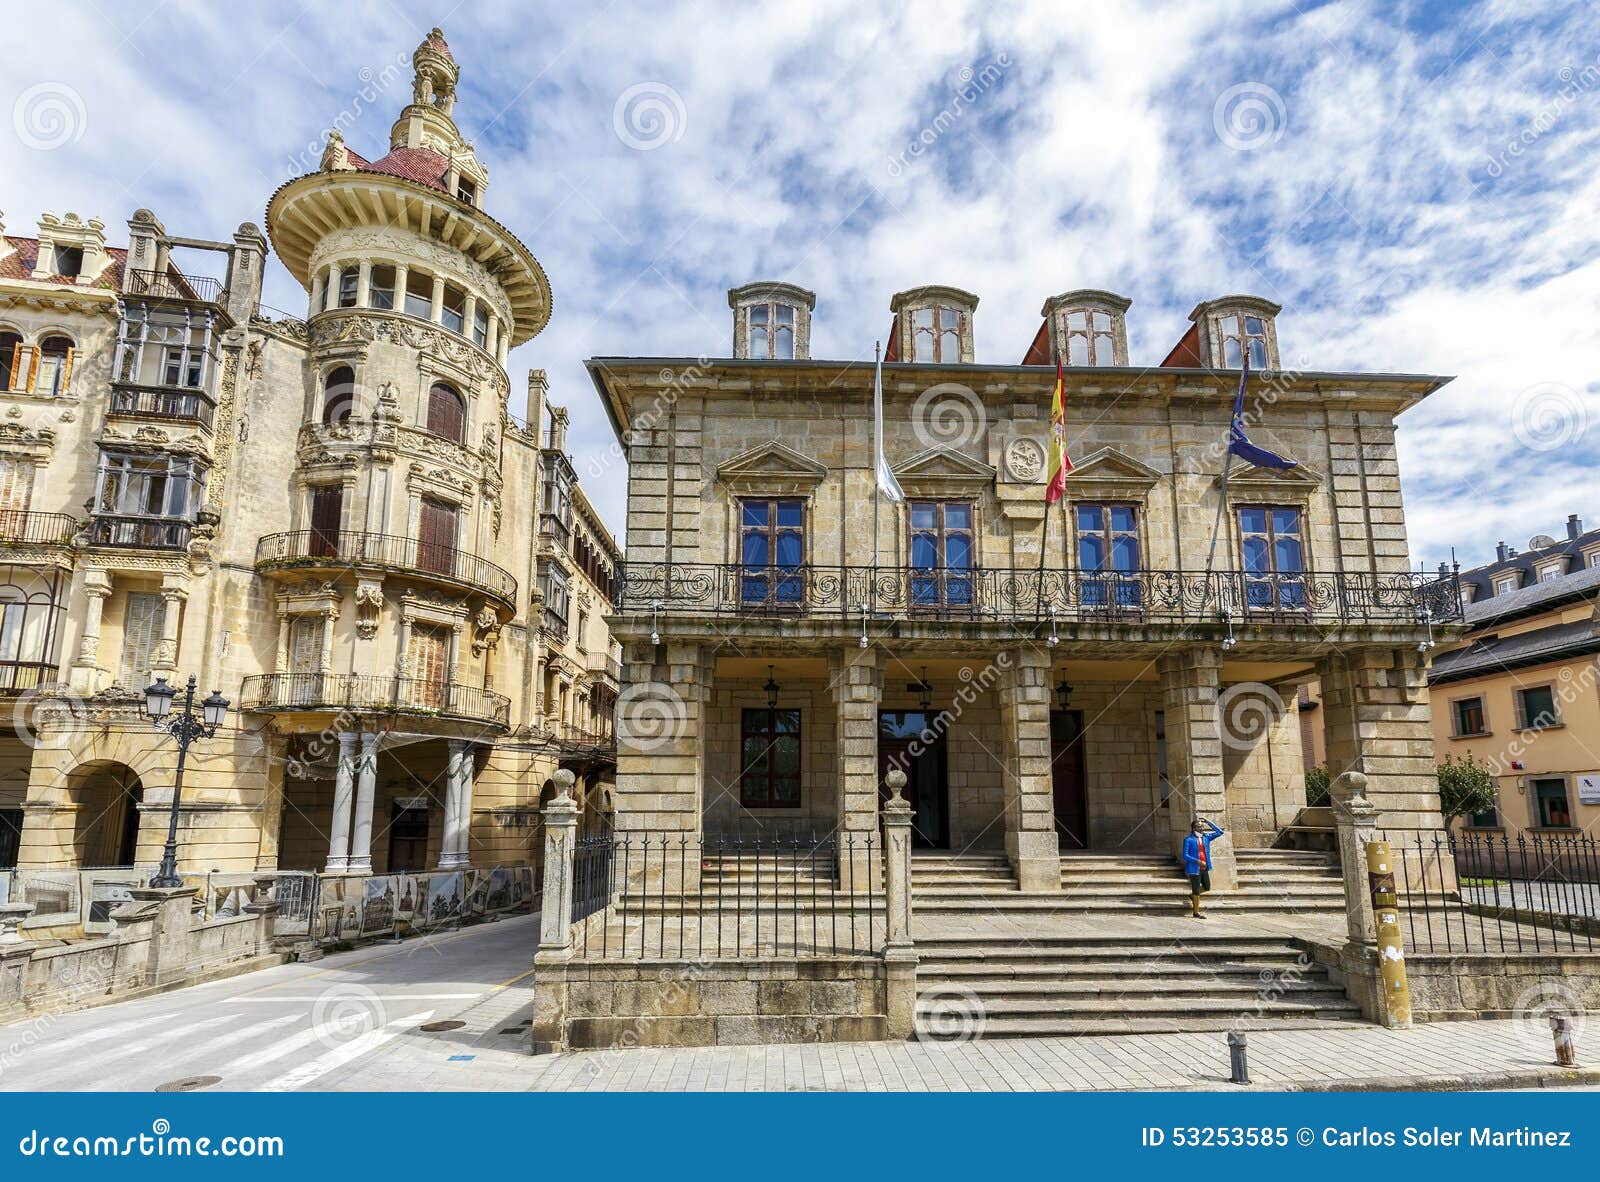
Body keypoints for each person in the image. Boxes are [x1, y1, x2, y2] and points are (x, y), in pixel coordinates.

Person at [1182, 818, 1224, 919]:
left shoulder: (1206, 838)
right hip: (1194, 868)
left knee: (1207, 887)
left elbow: (1220, 832)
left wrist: (1208, 822)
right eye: (1198, 826)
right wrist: (1198, 861)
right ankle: (1196, 912)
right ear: (1193, 828)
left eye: (1202, 826)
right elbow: (1185, 855)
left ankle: (1193, 896)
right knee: (1196, 890)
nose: (1201, 828)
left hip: (1204, 867)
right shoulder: (1188, 840)